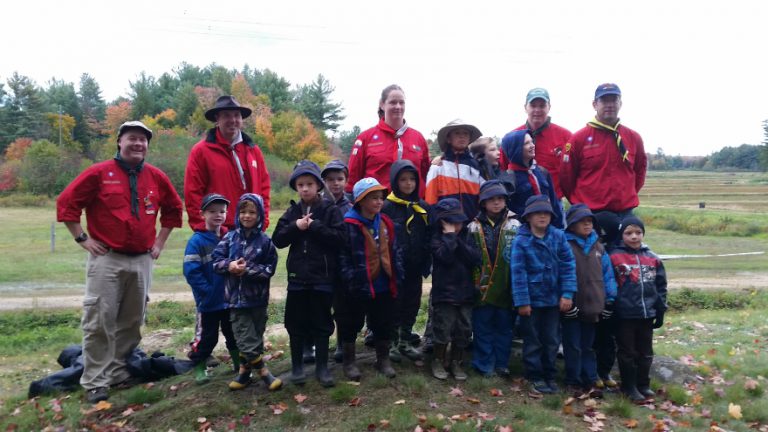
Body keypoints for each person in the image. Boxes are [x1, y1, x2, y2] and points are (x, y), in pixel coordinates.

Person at [56, 121, 183, 403]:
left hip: (142, 261)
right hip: (107, 259)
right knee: (99, 321)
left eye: (143, 140)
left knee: (132, 322)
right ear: (119, 142)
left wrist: (160, 242)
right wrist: (82, 239)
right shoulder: (99, 173)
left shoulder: (156, 177)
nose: (138, 144)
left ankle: (118, 373)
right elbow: (67, 204)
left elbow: (174, 210)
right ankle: (95, 381)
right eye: (132, 139)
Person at [272, 161, 346, 388]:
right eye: (301, 184)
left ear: (319, 186)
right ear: (296, 187)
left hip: (322, 278)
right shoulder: (292, 212)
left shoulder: (329, 210)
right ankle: (297, 368)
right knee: (295, 323)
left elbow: (340, 239)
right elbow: (278, 239)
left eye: (310, 184)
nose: (305, 189)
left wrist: (315, 227)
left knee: (322, 322)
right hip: (297, 278)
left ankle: (322, 368)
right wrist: (296, 226)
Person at [212, 193, 281, 392]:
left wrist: (248, 269)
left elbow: (269, 269)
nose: (247, 216)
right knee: (245, 338)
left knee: (255, 338)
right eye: (243, 212)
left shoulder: (265, 242)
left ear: (259, 215)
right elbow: (216, 261)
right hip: (236, 299)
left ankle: (244, 373)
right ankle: (265, 373)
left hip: (258, 299)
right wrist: (230, 265)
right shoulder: (230, 238)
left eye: (252, 212)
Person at [337, 178, 404, 380]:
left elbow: (396, 250)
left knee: (383, 322)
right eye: (373, 198)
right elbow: (342, 257)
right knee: (351, 323)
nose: (378, 201)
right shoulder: (349, 225)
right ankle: (349, 362)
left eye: (380, 198)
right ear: (360, 201)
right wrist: (351, 280)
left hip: (384, 284)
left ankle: (382, 359)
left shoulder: (385, 223)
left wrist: (398, 272)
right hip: (359, 285)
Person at [511, 195, 576, 395]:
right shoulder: (521, 241)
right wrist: (522, 301)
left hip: (554, 300)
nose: (542, 216)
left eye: (546, 213)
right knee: (533, 340)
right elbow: (518, 273)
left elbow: (568, 266)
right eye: (537, 213)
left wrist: (567, 294)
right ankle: (535, 375)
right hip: (531, 301)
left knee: (552, 339)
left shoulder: (559, 237)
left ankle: (549, 374)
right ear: (528, 217)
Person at [184, 95, 271, 231]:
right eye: (226, 116)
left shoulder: (253, 151)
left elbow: (264, 188)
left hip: (250, 229)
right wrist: (203, 228)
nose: (233, 120)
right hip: (217, 231)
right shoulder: (201, 151)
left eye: (237, 115)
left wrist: (262, 221)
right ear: (217, 120)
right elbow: (192, 193)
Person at [560, 83, 647, 216]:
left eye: (614, 100)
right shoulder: (578, 139)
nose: (609, 104)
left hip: (624, 214)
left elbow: (639, 172)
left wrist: (625, 195)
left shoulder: (634, 138)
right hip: (589, 214)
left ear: (620, 104)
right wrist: (580, 203)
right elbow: (567, 178)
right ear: (594, 104)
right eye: (604, 100)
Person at [609, 216, 668, 402]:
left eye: (638, 232)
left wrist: (660, 310)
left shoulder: (652, 258)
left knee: (646, 351)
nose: (634, 236)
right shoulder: (614, 256)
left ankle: (644, 384)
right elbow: (610, 284)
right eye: (628, 233)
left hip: (647, 313)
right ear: (622, 235)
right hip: (625, 314)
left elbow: (661, 286)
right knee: (627, 352)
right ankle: (629, 386)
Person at [561, 204, 617, 397]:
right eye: (582, 221)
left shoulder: (599, 247)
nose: (587, 224)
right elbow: (559, 274)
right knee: (573, 346)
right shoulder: (565, 245)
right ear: (571, 225)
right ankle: (572, 381)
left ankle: (590, 380)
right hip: (572, 305)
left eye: (590, 221)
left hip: (593, 305)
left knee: (588, 346)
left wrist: (609, 300)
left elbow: (608, 275)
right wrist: (565, 300)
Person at [183, 193, 240, 384]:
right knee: (208, 338)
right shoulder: (197, 241)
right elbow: (191, 271)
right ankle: (199, 369)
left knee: (233, 333)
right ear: (203, 214)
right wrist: (206, 291)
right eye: (212, 211)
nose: (218, 215)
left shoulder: (230, 237)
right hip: (208, 301)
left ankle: (238, 365)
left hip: (229, 298)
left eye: (222, 211)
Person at [467, 181, 520, 378]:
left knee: (504, 328)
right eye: (491, 199)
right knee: (482, 327)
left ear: (506, 201)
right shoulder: (472, 226)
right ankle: (484, 363)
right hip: (481, 286)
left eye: (500, 199)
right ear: (483, 203)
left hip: (507, 285)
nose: (496, 203)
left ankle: (502, 363)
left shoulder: (516, 224)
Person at [381, 160, 431, 363]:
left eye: (412, 179)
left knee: (412, 302)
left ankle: (405, 340)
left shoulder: (422, 206)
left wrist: (426, 258)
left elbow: (428, 234)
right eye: (403, 179)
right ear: (395, 181)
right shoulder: (386, 206)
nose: (408, 183)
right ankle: (392, 342)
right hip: (395, 266)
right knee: (394, 304)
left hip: (415, 264)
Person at [429, 197, 482, 381]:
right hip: (445, 293)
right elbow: (445, 257)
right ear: (442, 222)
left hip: (466, 293)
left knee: (464, 328)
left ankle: (456, 362)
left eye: (458, 221)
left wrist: (457, 240)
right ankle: (438, 359)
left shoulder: (468, 235)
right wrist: (450, 237)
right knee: (443, 328)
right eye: (451, 222)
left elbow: (475, 258)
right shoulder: (436, 238)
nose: (456, 226)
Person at [346, 84, 430, 195]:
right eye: (393, 102)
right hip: (377, 207)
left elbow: (426, 175)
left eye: (401, 102)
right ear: (382, 104)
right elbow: (353, 179)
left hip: (412, 207)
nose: (398, 106)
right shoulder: (366, 138)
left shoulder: (418, 138)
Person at [499, 88, 571, 198]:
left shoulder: (566, 136)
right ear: (525, 108)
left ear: (549, 107)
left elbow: (574, 170)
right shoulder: (511, 138)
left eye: (542, 106)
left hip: (553, 203)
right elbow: (501, 170)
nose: (537, 110)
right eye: (533, 106)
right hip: (521, 204)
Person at [320, 159, 354, 364]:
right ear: (323, 181)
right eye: (330, 180)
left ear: (346, 180)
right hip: (322, 263)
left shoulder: (351, 205)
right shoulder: (317, 204)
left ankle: (343, 343)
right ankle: (317, 343)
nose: (335, 184)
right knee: (321, 305)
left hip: (344, 264)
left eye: (340, 179)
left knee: (343, 306)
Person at [500, 129, 564, 228]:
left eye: (531, 141)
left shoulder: (542, 172)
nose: (532, 145)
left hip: (549, 231)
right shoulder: (508, 179)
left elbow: (554, 204)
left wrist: (559, 229)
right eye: (526, 143)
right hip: (525, 234)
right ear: (515, 149)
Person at [425, 119, 485, 220]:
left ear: (469, 138)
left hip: (472, 224)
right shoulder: (438, 167)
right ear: (448, 139)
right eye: (457, 133)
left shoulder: (476, 166)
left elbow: (484, 196)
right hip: (446, 225)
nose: (462, 136)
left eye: (465, 133)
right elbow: (430, 200)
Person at [592, 211, 622, 389]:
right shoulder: (595, 248)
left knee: (609, 341)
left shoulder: (618, 248)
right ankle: (594, 371)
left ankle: (605, 371)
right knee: (593, 339)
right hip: (594, 299)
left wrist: (611, 300)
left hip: (613, 301)